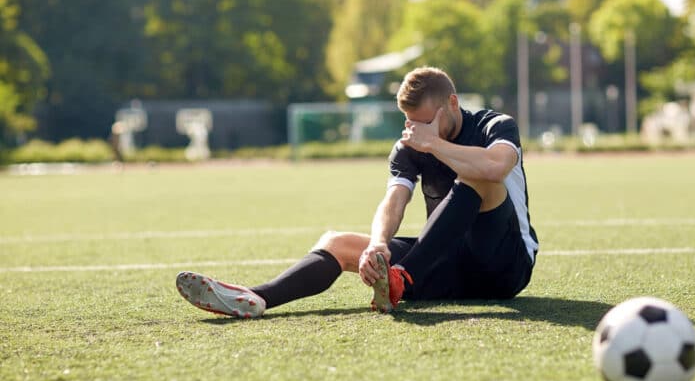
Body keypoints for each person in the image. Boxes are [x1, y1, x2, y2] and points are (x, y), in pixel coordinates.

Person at [175, 66, 538, 318]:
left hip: (503, 268)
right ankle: (256, 297)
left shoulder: (494, 124)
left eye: (425, 122)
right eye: (409, 123)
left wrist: (434, 145)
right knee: (338, 241)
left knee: (479, 177)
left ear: (453, 104)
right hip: (446, 266)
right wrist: (378, 244)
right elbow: (395, 199)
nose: (415, 131)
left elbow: (496, 167)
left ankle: (401, 277)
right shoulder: (410, 143)